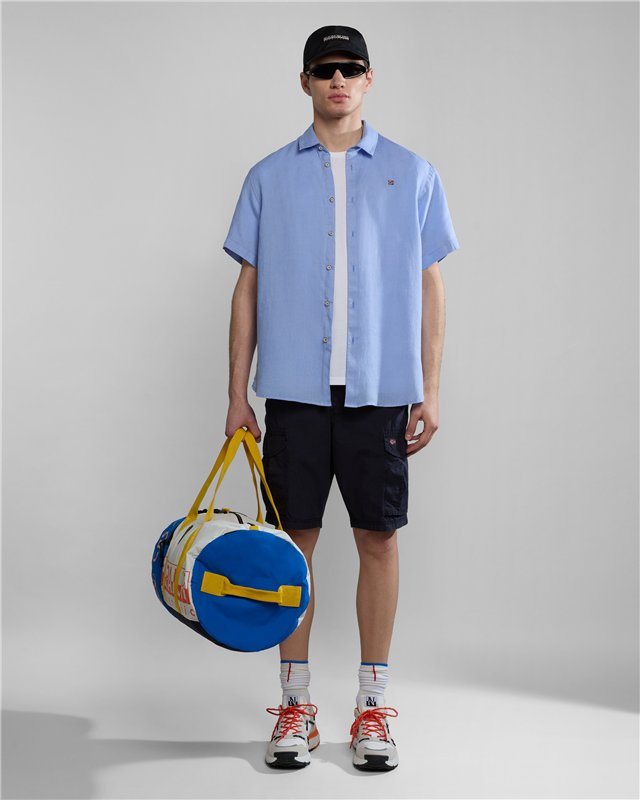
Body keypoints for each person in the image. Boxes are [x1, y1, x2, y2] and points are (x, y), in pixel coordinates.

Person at [222, 24, 459, 772]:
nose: (338, 79)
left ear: (368, 78)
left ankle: (372, 706)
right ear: (305, 81)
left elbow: (431, 288)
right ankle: (295, 703)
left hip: (380, 393)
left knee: (378, 539)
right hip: (294, 393)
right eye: (325, 68)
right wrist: (236, 395)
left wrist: (430, 389)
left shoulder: (411, 173)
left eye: (350, 68)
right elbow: (248, 288)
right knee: (291, 545)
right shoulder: (268, 177)